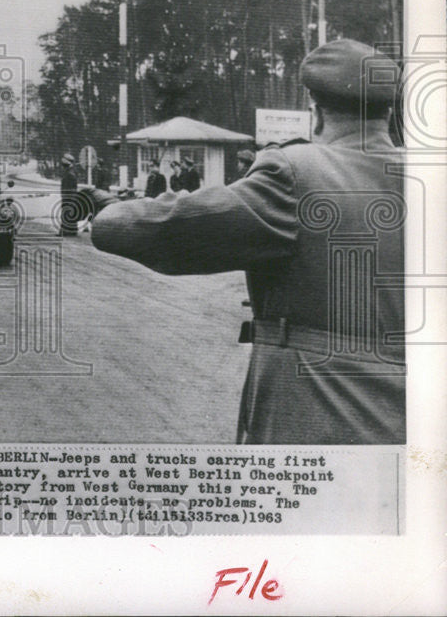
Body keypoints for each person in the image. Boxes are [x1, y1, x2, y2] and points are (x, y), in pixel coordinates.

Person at [88, 39, 404, 444]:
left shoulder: (298, 173)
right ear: (389, 110)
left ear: (316, 112)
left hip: (320, 415)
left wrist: (109, 211)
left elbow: (162, 229)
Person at [59, 152, 78, 237]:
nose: (62, 167)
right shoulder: (71, 172)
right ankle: (72, 230)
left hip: (68, 196)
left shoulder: (69, 174)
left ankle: (66, 231)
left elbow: (68, 187)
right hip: (71, 196)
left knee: (67, 212)